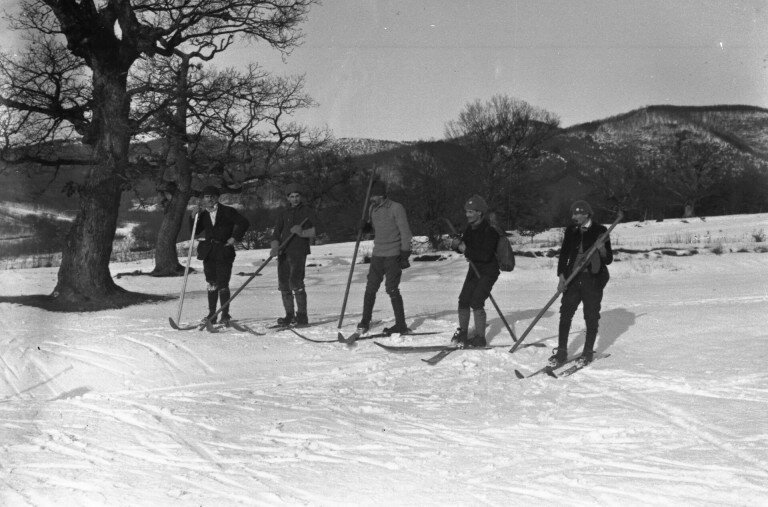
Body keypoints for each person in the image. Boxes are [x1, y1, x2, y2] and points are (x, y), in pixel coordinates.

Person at [550, 199, 613, 367]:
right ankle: (562, 351)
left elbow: (608, 260)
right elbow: (564, 255)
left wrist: (601, 248)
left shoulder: (601, 230)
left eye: (577, 213)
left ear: (587, 214)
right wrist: (562, 275)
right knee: (566, 313)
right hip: (572, 278)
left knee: (591, 315)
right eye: (573, 213)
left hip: (592, 279)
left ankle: (587, 352)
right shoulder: (571, 230)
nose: (574, 216)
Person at [357, 180, 413, 335]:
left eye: (373, 196)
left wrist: (404, 254)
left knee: (392, 288)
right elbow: (374, 229)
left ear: (381, 195)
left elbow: (405, 232)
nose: (371, 199)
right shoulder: (372, 209)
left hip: (393, 254)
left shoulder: (396, 208)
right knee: (371, 287)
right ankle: (365, 321)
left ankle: (401, 324)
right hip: (377, 254)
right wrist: (365, 227)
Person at [191, 186, 250, 325]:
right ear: (203, 199)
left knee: (223, 283)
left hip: (224, 250)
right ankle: (212, 314)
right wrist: (193, 217)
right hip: (209, 252)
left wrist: (234, 238)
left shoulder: (228, 211)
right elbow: (194, 231)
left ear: (217, 197)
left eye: (212, 196)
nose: (209, 199)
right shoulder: (203, 214)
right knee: (211, 282)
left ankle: (225, 315)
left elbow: (244, 223)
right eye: (206, 196)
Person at [449, 195, 500, 348]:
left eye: (470, 212)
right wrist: (456, 245)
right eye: (466, 211)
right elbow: (465, 247)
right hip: (474, 269)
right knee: (463, 300)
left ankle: (480, 338)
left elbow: (485, 255)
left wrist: (466, 249)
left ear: (479, 212)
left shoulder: (490, 230)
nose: (467, 215)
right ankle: (463, 333)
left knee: (476, 301)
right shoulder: (470, 229)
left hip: (488, 271)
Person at [270, 182, 317, 327]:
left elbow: (318, 229)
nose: (295, 199)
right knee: (284, 285)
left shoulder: (307, 211)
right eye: (292, 196)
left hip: (298, 251)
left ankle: (302, 316)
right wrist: (275, 247)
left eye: (297, 196)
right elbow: (276, 233)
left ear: (300, 197)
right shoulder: (283, 213)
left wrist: (302, 233)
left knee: (296, 283)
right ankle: (289, 315)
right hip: (283, 252)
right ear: (287, 198)